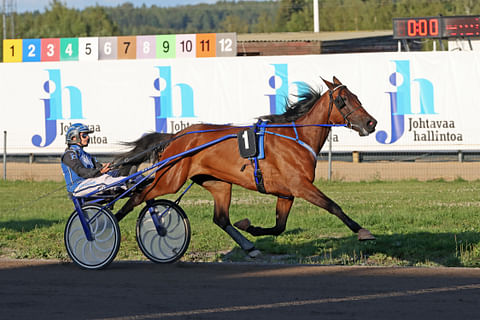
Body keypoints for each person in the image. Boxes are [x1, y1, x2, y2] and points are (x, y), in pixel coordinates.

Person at [61, 123, 126, 197]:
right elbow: (81, 171)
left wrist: (109, 168)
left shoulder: (87, 155)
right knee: (104, 179)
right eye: (84, 135)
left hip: (90, 182)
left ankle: (133, 180)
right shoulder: (69, 154)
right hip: (78, 187)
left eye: (87, 135)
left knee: (116, 173)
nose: (88, 137)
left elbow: (99, 167)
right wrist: (100, 172)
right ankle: (126, 182)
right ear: (74, 138)